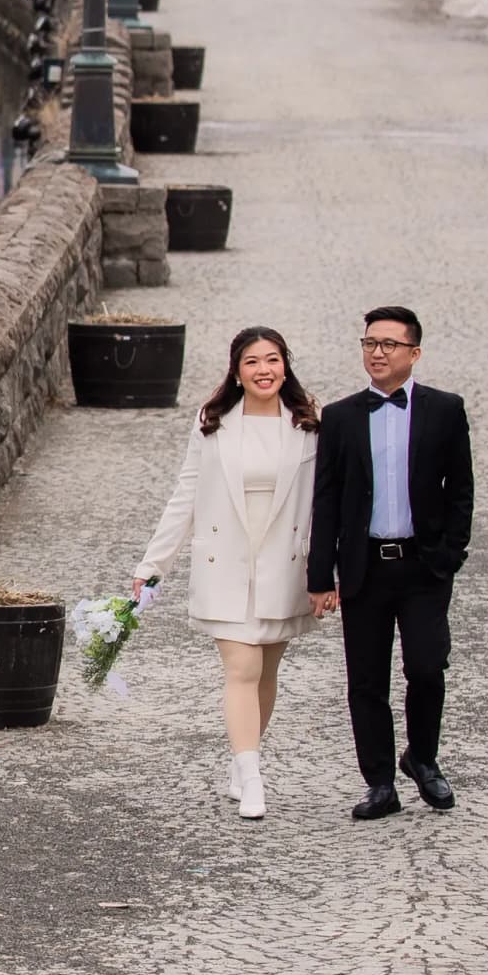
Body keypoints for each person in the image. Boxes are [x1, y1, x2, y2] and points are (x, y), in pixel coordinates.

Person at [130, 326, 321, 820]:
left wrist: (329, 568)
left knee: (267, 672)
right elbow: (186, 495)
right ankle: (252, 775)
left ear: (286, 365)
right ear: (236, 371)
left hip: (284, 563)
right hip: (225, 562)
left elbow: (326, 500)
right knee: (243, 668)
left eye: (273, 359)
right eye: (253, 361)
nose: (265, 370)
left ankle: (242, 759)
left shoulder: (308, 421)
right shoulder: (213, 422)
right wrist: (153, 565)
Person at [307, 304, 473, 821]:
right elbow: (326, 498)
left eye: (389, 345)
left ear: (414, 353)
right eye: (369, 343)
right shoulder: (340, 417)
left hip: (423, 567)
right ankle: (379, 782)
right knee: (366, 679)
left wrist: (449, 555)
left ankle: (421, 758)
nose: (377, 353)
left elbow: (461, 489)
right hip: (366, 567)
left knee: (427, 665)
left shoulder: (445, 410)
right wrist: (320, 575)